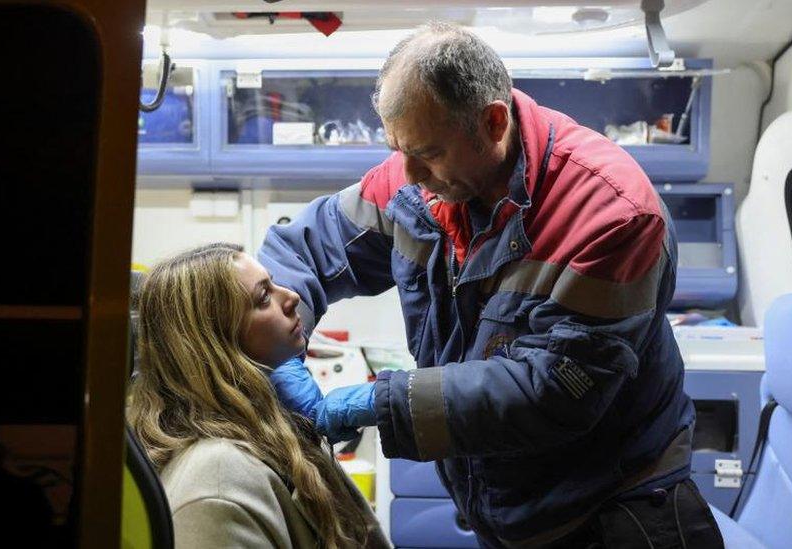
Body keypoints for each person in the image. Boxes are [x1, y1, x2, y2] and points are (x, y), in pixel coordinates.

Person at [260, 22, 723, 548]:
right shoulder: (416, 179)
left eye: (428, 153)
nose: (406, 173)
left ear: (493, 123)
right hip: (509, 514)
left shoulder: (611, 213)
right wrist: (275, 340)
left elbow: (550, 392)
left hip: (618, 515)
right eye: (397, 148)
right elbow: (304, 249)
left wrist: (374, 403)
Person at [127, 243, 389, 549]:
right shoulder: (217, 482)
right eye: (264, 296)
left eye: (275, 283)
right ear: (215, 343)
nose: (291, 297)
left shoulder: (278, 433)